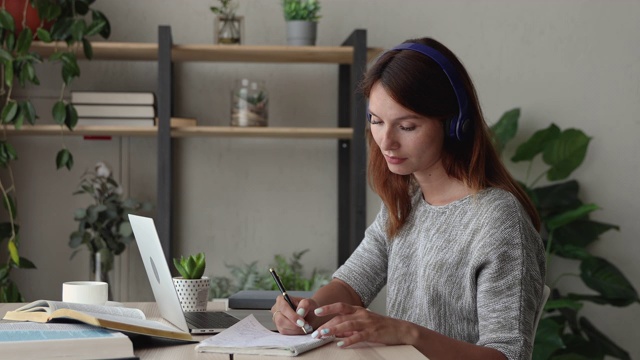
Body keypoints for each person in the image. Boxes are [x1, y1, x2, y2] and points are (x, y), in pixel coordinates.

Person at [271, 37, 546, 360]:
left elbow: (508, 354)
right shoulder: (406, 201)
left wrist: (408, 334)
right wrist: (309, 310)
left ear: (455, 124)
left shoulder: (498, 220)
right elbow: (351, 285)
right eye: (376, 121)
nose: (386, 141)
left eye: (407, 126)